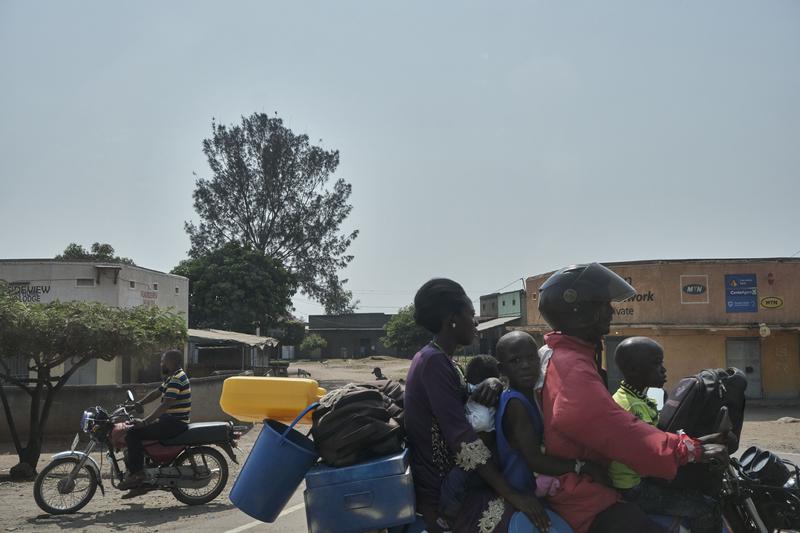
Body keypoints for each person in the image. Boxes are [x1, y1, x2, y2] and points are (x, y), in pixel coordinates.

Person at [536, 263, 729, 533]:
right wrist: (687, 450)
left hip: (586, 479)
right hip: (581, 495)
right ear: (580, 311)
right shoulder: (572, 367)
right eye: (603, 303)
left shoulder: (564, 354)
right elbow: (614, 429)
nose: (611, 310)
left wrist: (683, 440)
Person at [404, 278, 552, 533]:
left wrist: (494, 380)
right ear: (452, 318)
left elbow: (467, 393)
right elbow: (463, 440)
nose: (475, 322)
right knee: (527, 524)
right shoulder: (433, 363)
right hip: (447, 495)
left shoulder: (443, 360)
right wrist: (512, 494)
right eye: (471, 314)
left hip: (462, 481)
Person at [495, 330, 608, 533]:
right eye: (515, 360)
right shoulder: (516, 403)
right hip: (524, 491)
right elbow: (535, 460)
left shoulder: (533, 395)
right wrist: (583, 466)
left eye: (531, 358)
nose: (525, 365)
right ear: (502, 369)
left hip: (540, 486)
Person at [608, 337, 722, 533]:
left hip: (639, 478)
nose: (664, 369)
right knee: (707, 507)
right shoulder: (630, 408)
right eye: (656, 363)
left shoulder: (636, 397)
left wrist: (703, 441)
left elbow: (659, 438)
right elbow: (652, 453)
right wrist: (695, 453)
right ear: (634, 370)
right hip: (633, 488)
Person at [439, 355, 502, 523]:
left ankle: (450, 514)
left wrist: (461, 421)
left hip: (478, 449)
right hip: (479, 450)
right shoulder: (483, 391)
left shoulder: (480, 398)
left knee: (454, 481)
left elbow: (481, 422)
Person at [118, 349, 191, 492]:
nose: (161, 363)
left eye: (163, 361)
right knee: (137, 431)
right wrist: (138, 404)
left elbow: (165, 404)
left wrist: (145, 421)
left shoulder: (177, 379)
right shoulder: (172, 377)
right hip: (169, 421)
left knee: (133, 434)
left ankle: (138, 474)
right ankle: (143, 472)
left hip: (174, 423)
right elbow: (157, 393)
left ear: (171, 362)